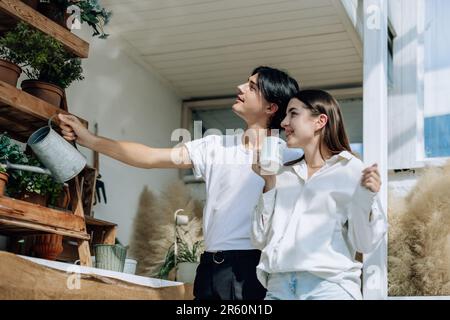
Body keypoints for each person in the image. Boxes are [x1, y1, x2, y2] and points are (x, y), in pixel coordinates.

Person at [57, 66, 300, 300]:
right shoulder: (215, 146)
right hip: (209, 267)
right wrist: (89, 140)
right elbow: (150, 157)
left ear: (271, 107)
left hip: (252, 270)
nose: (240, 87)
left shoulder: (292, 158)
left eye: (252, 86)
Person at [252, 89, 388, 300]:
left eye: (293, 114)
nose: (284, 122)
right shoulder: (283, 174)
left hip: (329, 287)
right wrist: (268, 184)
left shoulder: (351, 169)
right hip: (279, 287)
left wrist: (367, 198)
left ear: (320, 121)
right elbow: (259, 238)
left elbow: (365, 243)